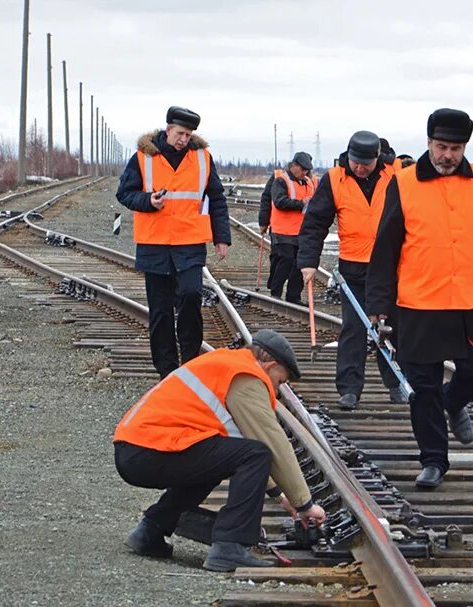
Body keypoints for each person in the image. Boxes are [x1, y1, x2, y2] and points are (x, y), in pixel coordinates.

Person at [365, 108, 473, 489]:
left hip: (470, 300)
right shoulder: (403, 183)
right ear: (429, 143)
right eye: (440, 146)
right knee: (423, 388)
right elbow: (385, 249)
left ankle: (454, 403)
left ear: (465, 147)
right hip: (417, 304)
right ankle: (434, 460)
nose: (447, 155)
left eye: (454, 148)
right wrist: (378, 307)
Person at [113, 330, 327, 572]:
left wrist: (280, 497)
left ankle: (150, 531)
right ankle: (229, 546)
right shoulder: (246, 375)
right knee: (257, 453)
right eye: (280, 381)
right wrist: (305, 504)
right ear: (270, 365)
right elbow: (273, 443)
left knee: (220, 459)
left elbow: (235, 450)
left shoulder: (226, 364)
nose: (277, 390)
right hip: (151, 448)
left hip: (136, 449)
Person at [116, 106, 231, 380]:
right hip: (154, 245)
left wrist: (222, 238)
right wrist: (148, 201)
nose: (183, 139)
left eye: (188, 135)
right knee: (160, 311)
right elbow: (125, 193)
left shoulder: (203, 158)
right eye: (180, 133)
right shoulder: (143, 158)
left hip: (189, 243)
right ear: (168, 130)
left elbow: (216, 198)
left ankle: (190, 364)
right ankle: (167, 371)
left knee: (191, 297)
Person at [297, 131, 404, 410]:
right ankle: (349, 389)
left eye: (366, 163)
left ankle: (397, 383)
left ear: (377, 158)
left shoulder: (398, 174)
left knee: (394, 327)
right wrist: (308, 261)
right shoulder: (335, 179)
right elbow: (315, 222)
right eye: (356, 162)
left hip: (392, 265)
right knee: (354, 330)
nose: (360, 168)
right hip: (354, 266)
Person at [267, 152, 317, 304]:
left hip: (302, 232)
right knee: (286, 261)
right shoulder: (281, 181)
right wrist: (301, 203)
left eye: (306, 170)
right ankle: (275, 293)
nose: (304, 173)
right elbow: (279, 201)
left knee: (299, 265)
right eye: (302, 169)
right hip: (283, 231)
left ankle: (293, 297)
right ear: (293, 165)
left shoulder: (310, 182)